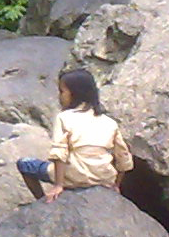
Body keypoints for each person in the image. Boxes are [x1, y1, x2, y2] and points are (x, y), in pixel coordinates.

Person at [17, 67, 132, 201]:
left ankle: (41, 200)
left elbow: (60, 153)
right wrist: (115, 185)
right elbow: (123, 157)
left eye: (62, 92)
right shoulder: (109, 122)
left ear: (75, 94)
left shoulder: (64, 117)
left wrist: (58, 185)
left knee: (25, 164)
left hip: (74, 176)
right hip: (103, 177)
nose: (59, 96)